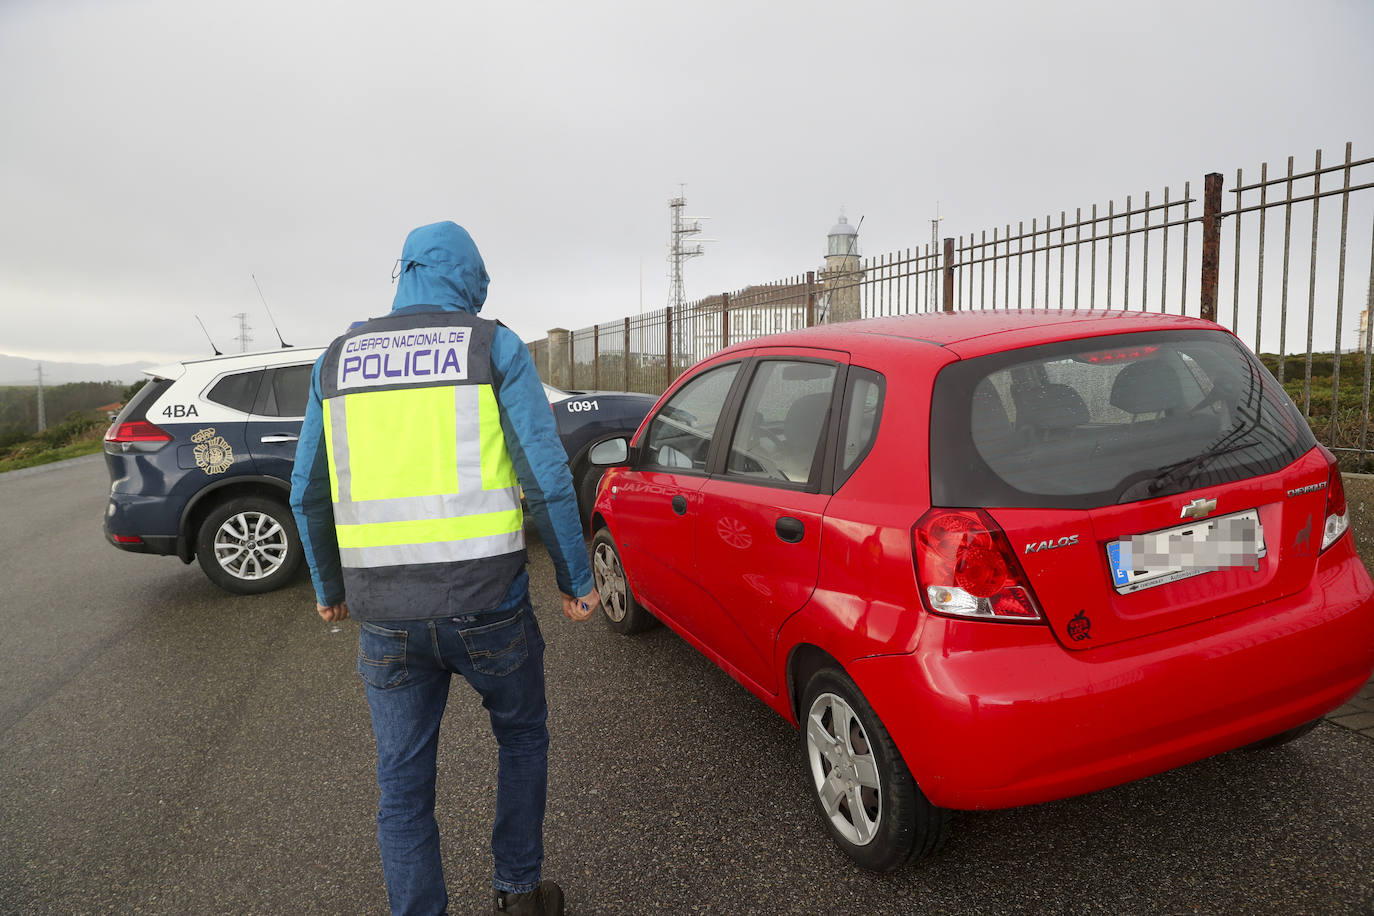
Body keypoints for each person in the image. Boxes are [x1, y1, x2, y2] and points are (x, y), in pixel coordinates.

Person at [289, 221, 600, 916]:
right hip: (489, 604)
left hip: (387, 618)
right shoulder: (491, 345)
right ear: (469, 279)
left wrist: (328, 590)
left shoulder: (337, 360)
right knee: (520, 737)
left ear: (403, 272)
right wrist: (577, 579)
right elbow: (545, 474)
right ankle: (518, 894)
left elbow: (305, 488)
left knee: (402, 786)